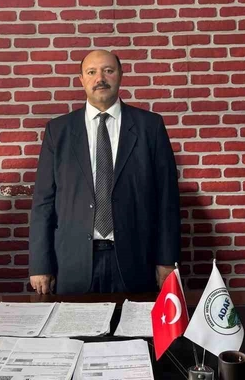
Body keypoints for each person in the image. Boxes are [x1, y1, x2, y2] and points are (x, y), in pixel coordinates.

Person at [28, 49, 180, 295]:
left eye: (108, 71)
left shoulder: (149, 127)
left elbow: (167, 200)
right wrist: (40, 264)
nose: (100, 78)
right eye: (91, 72)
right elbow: (43, 202)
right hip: (73, 262)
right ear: (81, 79)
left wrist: (167, 260)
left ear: (120, 75)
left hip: (136, 260)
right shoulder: (58, 131)